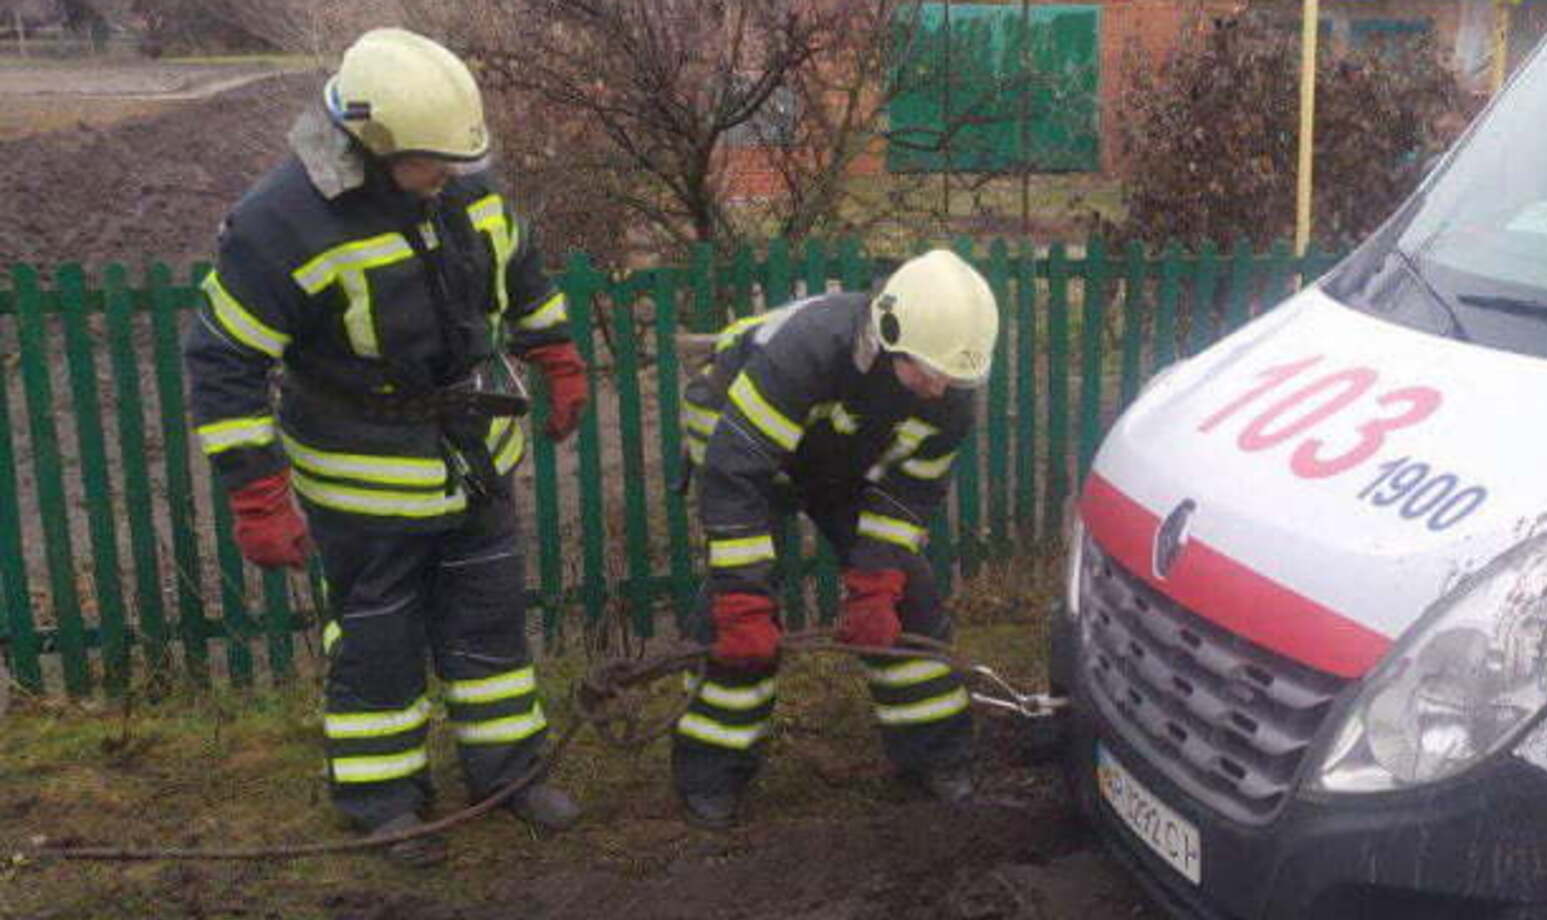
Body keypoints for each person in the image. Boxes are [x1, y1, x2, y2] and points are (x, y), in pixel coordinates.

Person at [183, 28, 586, 866]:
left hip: (474, 460)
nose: (449, 176)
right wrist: (256, 493)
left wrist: (554, 350)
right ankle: (384, 803)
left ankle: (509, 777)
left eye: (458, 161)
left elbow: (521, 268)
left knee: (491, 631)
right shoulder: (281, 225)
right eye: (431, 164)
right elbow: (223, 359)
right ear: (370, 144)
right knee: (378, 645)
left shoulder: (460, 180)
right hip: (361, 483)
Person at [674, 249, 1000, 828]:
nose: (937, 388)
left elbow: (906, 495)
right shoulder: (810, 350)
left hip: (836, 455)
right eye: (927, 372)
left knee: (910, 596)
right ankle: (712, 772)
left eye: (952, 378)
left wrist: (877, 584)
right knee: (737, 614)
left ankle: (935, 754)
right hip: (736, 437)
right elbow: (734, 473)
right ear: (889, 336)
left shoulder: (949, 395)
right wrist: (742, 597)